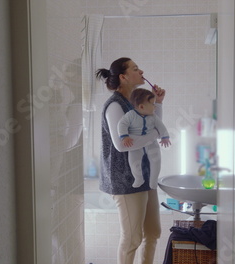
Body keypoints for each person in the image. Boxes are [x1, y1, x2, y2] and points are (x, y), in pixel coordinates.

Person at [96, 57, 166, 264]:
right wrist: (155, 136)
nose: (141, 70)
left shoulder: (134, 102)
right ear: (124, 77)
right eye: (135, 69)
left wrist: (158, 103)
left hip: (145, 173)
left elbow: (154, 123)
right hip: (125, 180)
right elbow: (122, 144)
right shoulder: (114, 106)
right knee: (132, 238)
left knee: (153, 232)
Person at [118, 88, 171, 189]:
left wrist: (165, 137)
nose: (155, 106)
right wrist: (124, 136)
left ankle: (153, 180)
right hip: (136, 143)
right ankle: (138, 178)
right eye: (152, 104)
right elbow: (122, 124)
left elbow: (161, 126)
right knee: (133, 161)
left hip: (152, 143)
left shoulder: (153, 116)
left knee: (156, 161)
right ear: (141, 106)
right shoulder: (131, 115)